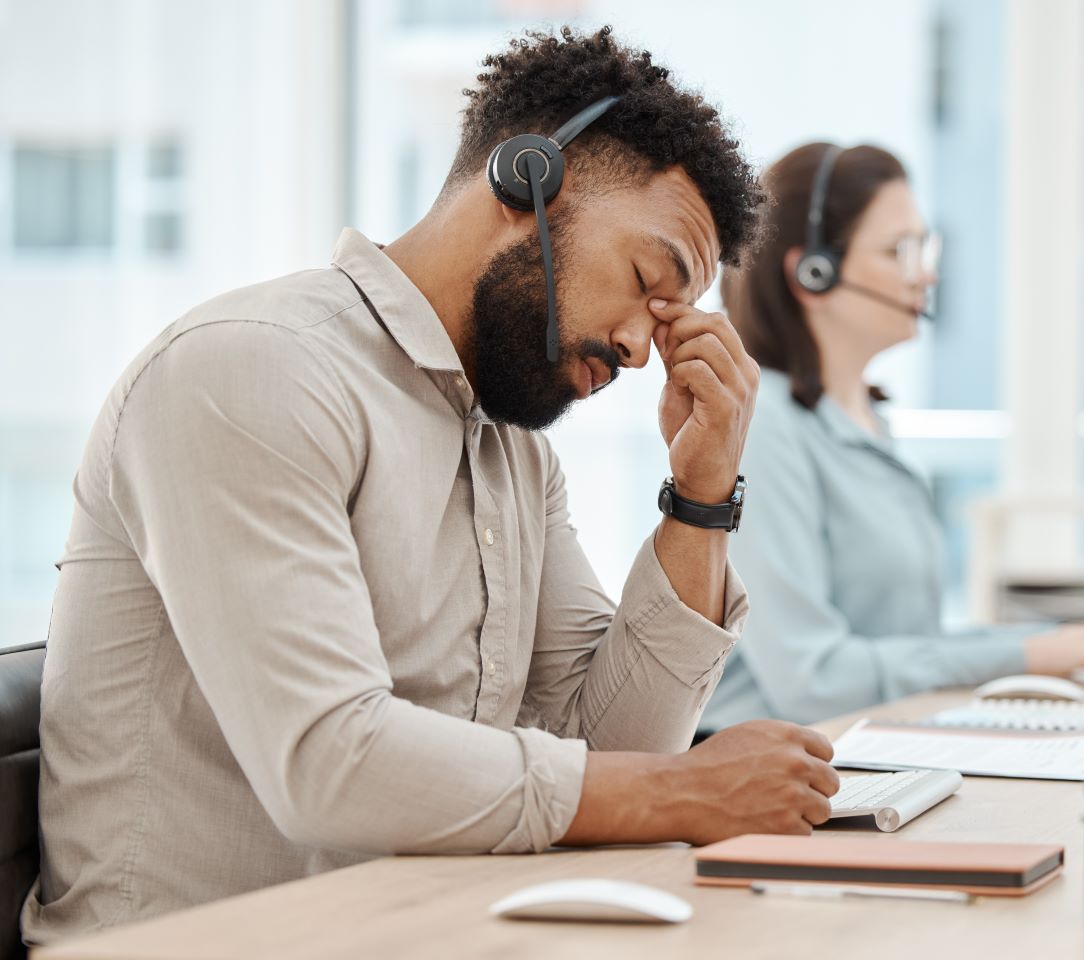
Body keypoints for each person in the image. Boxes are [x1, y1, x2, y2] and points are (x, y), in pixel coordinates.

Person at [22, 28, 843, 946]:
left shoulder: (516, 456)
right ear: (525, 177)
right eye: (648, 282)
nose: (643, 350)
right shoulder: (252, 370)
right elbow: (331, 764)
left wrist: (701, 494)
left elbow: (610, 758)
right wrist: (690, 791)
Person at [701, 142, 1084, 730]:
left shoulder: (866, 423)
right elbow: (814, 680)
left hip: (865, 748)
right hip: (758, 770)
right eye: (898, 251)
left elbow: (911, 644)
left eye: (924, 247)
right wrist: (1040, 653)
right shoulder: (767, 426)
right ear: (813, 274)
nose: (926, 272)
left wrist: (1075, 642)